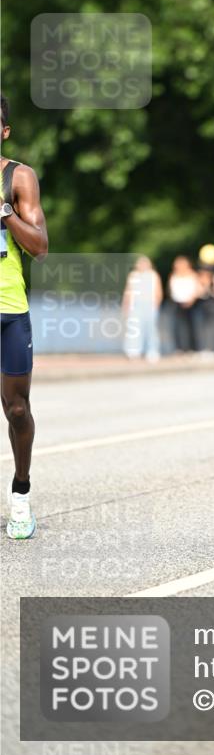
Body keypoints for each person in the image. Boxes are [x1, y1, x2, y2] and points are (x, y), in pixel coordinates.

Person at [1, 94, 49, 539]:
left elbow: (39, 247)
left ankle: (20, 494)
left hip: (9, 309)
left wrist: (4, 212)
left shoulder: (18, 177)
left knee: (17, 409)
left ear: (4, 131)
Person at [122, 255, 163, 362]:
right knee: (134, 328)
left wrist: (156, 304)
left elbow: (158, 291)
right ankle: (133, 351)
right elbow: (128, 291)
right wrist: (126, 305)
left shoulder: (153, 275)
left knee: (151, 329)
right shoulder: (133, 275)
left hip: (150, 304)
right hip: (136, 305)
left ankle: (152, 351)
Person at [167, 255, 199, 352]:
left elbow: (196, 288)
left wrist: (191, 299)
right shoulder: (173, 275)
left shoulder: (192, 274)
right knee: (177, 326)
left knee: (190, 326)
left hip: (190, 303)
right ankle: (179, 347)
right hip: (177, 303)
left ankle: (191, 347)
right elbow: (170, 289)